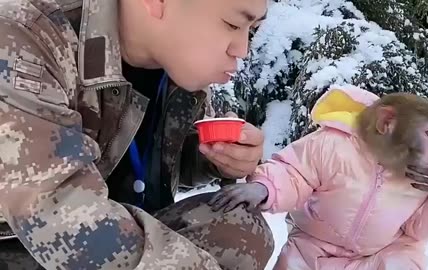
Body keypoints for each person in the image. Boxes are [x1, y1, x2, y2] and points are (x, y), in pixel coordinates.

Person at [0, 0, 274, 269]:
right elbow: (56, 213)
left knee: (241, 231)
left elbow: (132, 159)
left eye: (251, 30)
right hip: (30, 245)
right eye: (232, 24)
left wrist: (212, 158)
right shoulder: (23, 36)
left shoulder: (174, 62)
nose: (242, 49)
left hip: (114, 232)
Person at [210, 86, 428, 269]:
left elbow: (419, 225)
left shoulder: (422, 171)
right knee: (294, 262)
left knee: (402, 262)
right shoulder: (333, 144)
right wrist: (263, 188)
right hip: (314, 247)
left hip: (381, 253)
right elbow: (295, 172)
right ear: (386, 123)